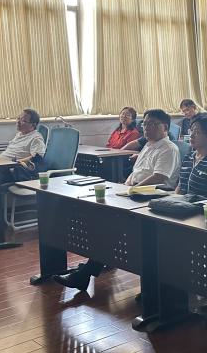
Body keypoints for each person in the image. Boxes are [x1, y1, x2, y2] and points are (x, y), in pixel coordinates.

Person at [53, 109, 181, 291]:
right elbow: (136, 173)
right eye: (145, 124)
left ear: (165, 127)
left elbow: (159, 177)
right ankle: (94, 265)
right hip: (135, 193)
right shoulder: (148, 145)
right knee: (101, 216)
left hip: (153, 197)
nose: (147, 128)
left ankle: (87, 271)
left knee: (111, 225)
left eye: (152, 124)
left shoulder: (168, 148)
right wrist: (126, 186)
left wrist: (132, 189)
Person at [0, 109, 46, 183]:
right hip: (3, 164)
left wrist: (18, 162)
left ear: (33, 125)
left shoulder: (36, 138)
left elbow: (37, 157)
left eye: (23, 121)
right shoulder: (19, 135)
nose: (18, 122)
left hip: (11, 170)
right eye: (18, 118)